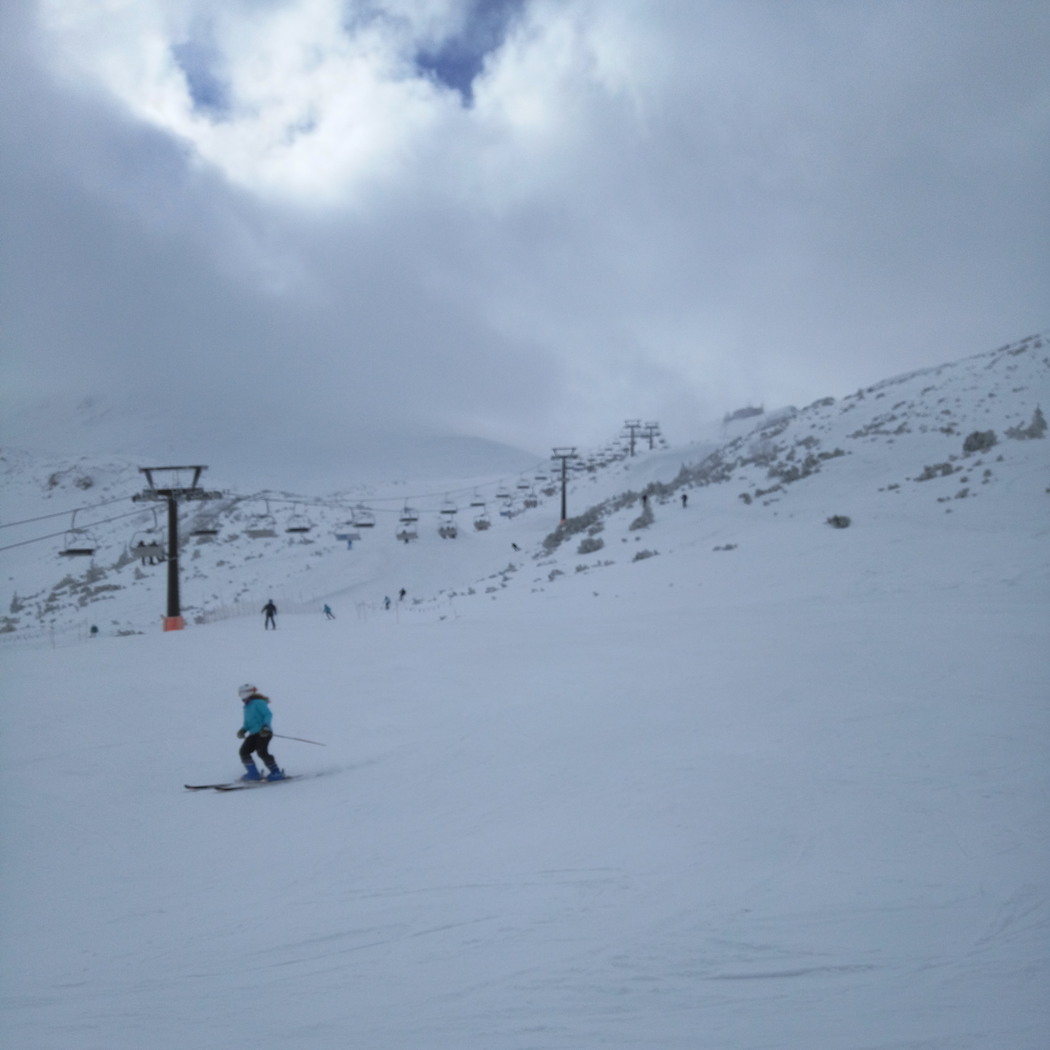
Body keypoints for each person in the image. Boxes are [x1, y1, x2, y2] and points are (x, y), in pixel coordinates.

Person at [236, 684, 285, 781]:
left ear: (249, 692)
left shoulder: (258, 703)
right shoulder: (247, 706)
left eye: (242, 693)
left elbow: (268, 714)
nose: (241, 696)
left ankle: (276, 773)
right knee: (244, 752)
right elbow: (247, 721)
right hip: (253, 734)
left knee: (261, 751)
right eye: (239, 694)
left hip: (264, 733)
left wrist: (266, 727)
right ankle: (253, 774)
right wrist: (243, 729)